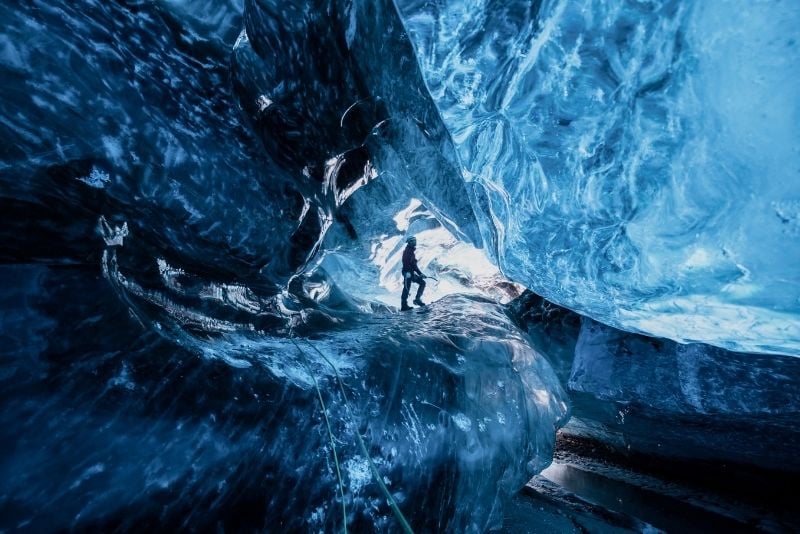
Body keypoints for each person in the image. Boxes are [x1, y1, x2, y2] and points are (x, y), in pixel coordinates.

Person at [400, 235, 426, 311]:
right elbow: (405, 262)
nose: (415, 242)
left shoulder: (411, 251)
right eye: (413, 240)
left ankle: (417, 299)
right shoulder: (407, 251)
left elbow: (414, 265)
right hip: (407, 273)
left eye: (415, 240)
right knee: (406, 288)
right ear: (409, 242)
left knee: (422, 283)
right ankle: (404, 306)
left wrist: (420, 273)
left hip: (410, 273)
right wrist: (407, 273)